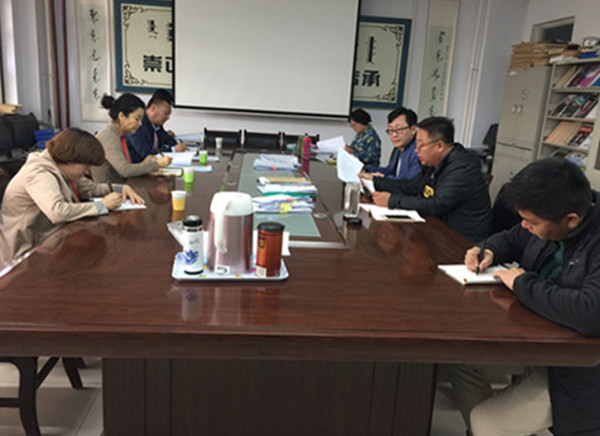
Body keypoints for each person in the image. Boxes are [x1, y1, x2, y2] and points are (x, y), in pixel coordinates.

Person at [444, 158, 600, 436]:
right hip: (537, 342)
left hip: (579, 368)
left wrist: (522, 283)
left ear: (571, 220)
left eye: (532, 222)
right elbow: (512, 238)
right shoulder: (549, 215)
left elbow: (590, 313)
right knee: (462, 360)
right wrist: (488, 250)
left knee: (486, 422)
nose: (525, 226)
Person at [0, 128, 144, 268]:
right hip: (23, 257)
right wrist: (102, 206)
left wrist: (119, 188)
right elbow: (57, 211)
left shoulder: (63, 167)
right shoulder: (39, 173)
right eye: (86, 165)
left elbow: (90, 189)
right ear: (69, 158)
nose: (87, 171)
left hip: (49, 242)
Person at [372, 116, 491, 243]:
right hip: (438, 231)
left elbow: (437, 203)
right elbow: (411, 186)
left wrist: (392, 201)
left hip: (462, 241)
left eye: (420, 145)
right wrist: (375, 182)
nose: (416, 151)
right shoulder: (433, 163)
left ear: (439, 146)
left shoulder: (463, 168)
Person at [91, 93, 171, 183]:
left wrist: (145, 164)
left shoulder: (122, 134)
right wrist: (155, 164)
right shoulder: (109, 135)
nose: (140, 124)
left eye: (141, 120)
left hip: (121, 184)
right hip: (110, 188)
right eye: (137, 119)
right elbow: (125, 170)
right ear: (121, 116)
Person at [126, 89, 187, 163]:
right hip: (136, 167)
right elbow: (146, 153)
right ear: (153, 108)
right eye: (166, 113)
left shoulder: (156, 125)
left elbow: (168, 140)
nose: (168, 117)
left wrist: (177, 144)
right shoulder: (137, 125)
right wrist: (172, 150)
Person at [360, 106, 421, 181]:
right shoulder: (398, 149)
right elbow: (389, 171)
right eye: (391, 130)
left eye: (399, 129)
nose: (394, 135)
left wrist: (383, 178)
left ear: (413, 130)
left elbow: (410, 183)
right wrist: (365, 169)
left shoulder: (418, 151)